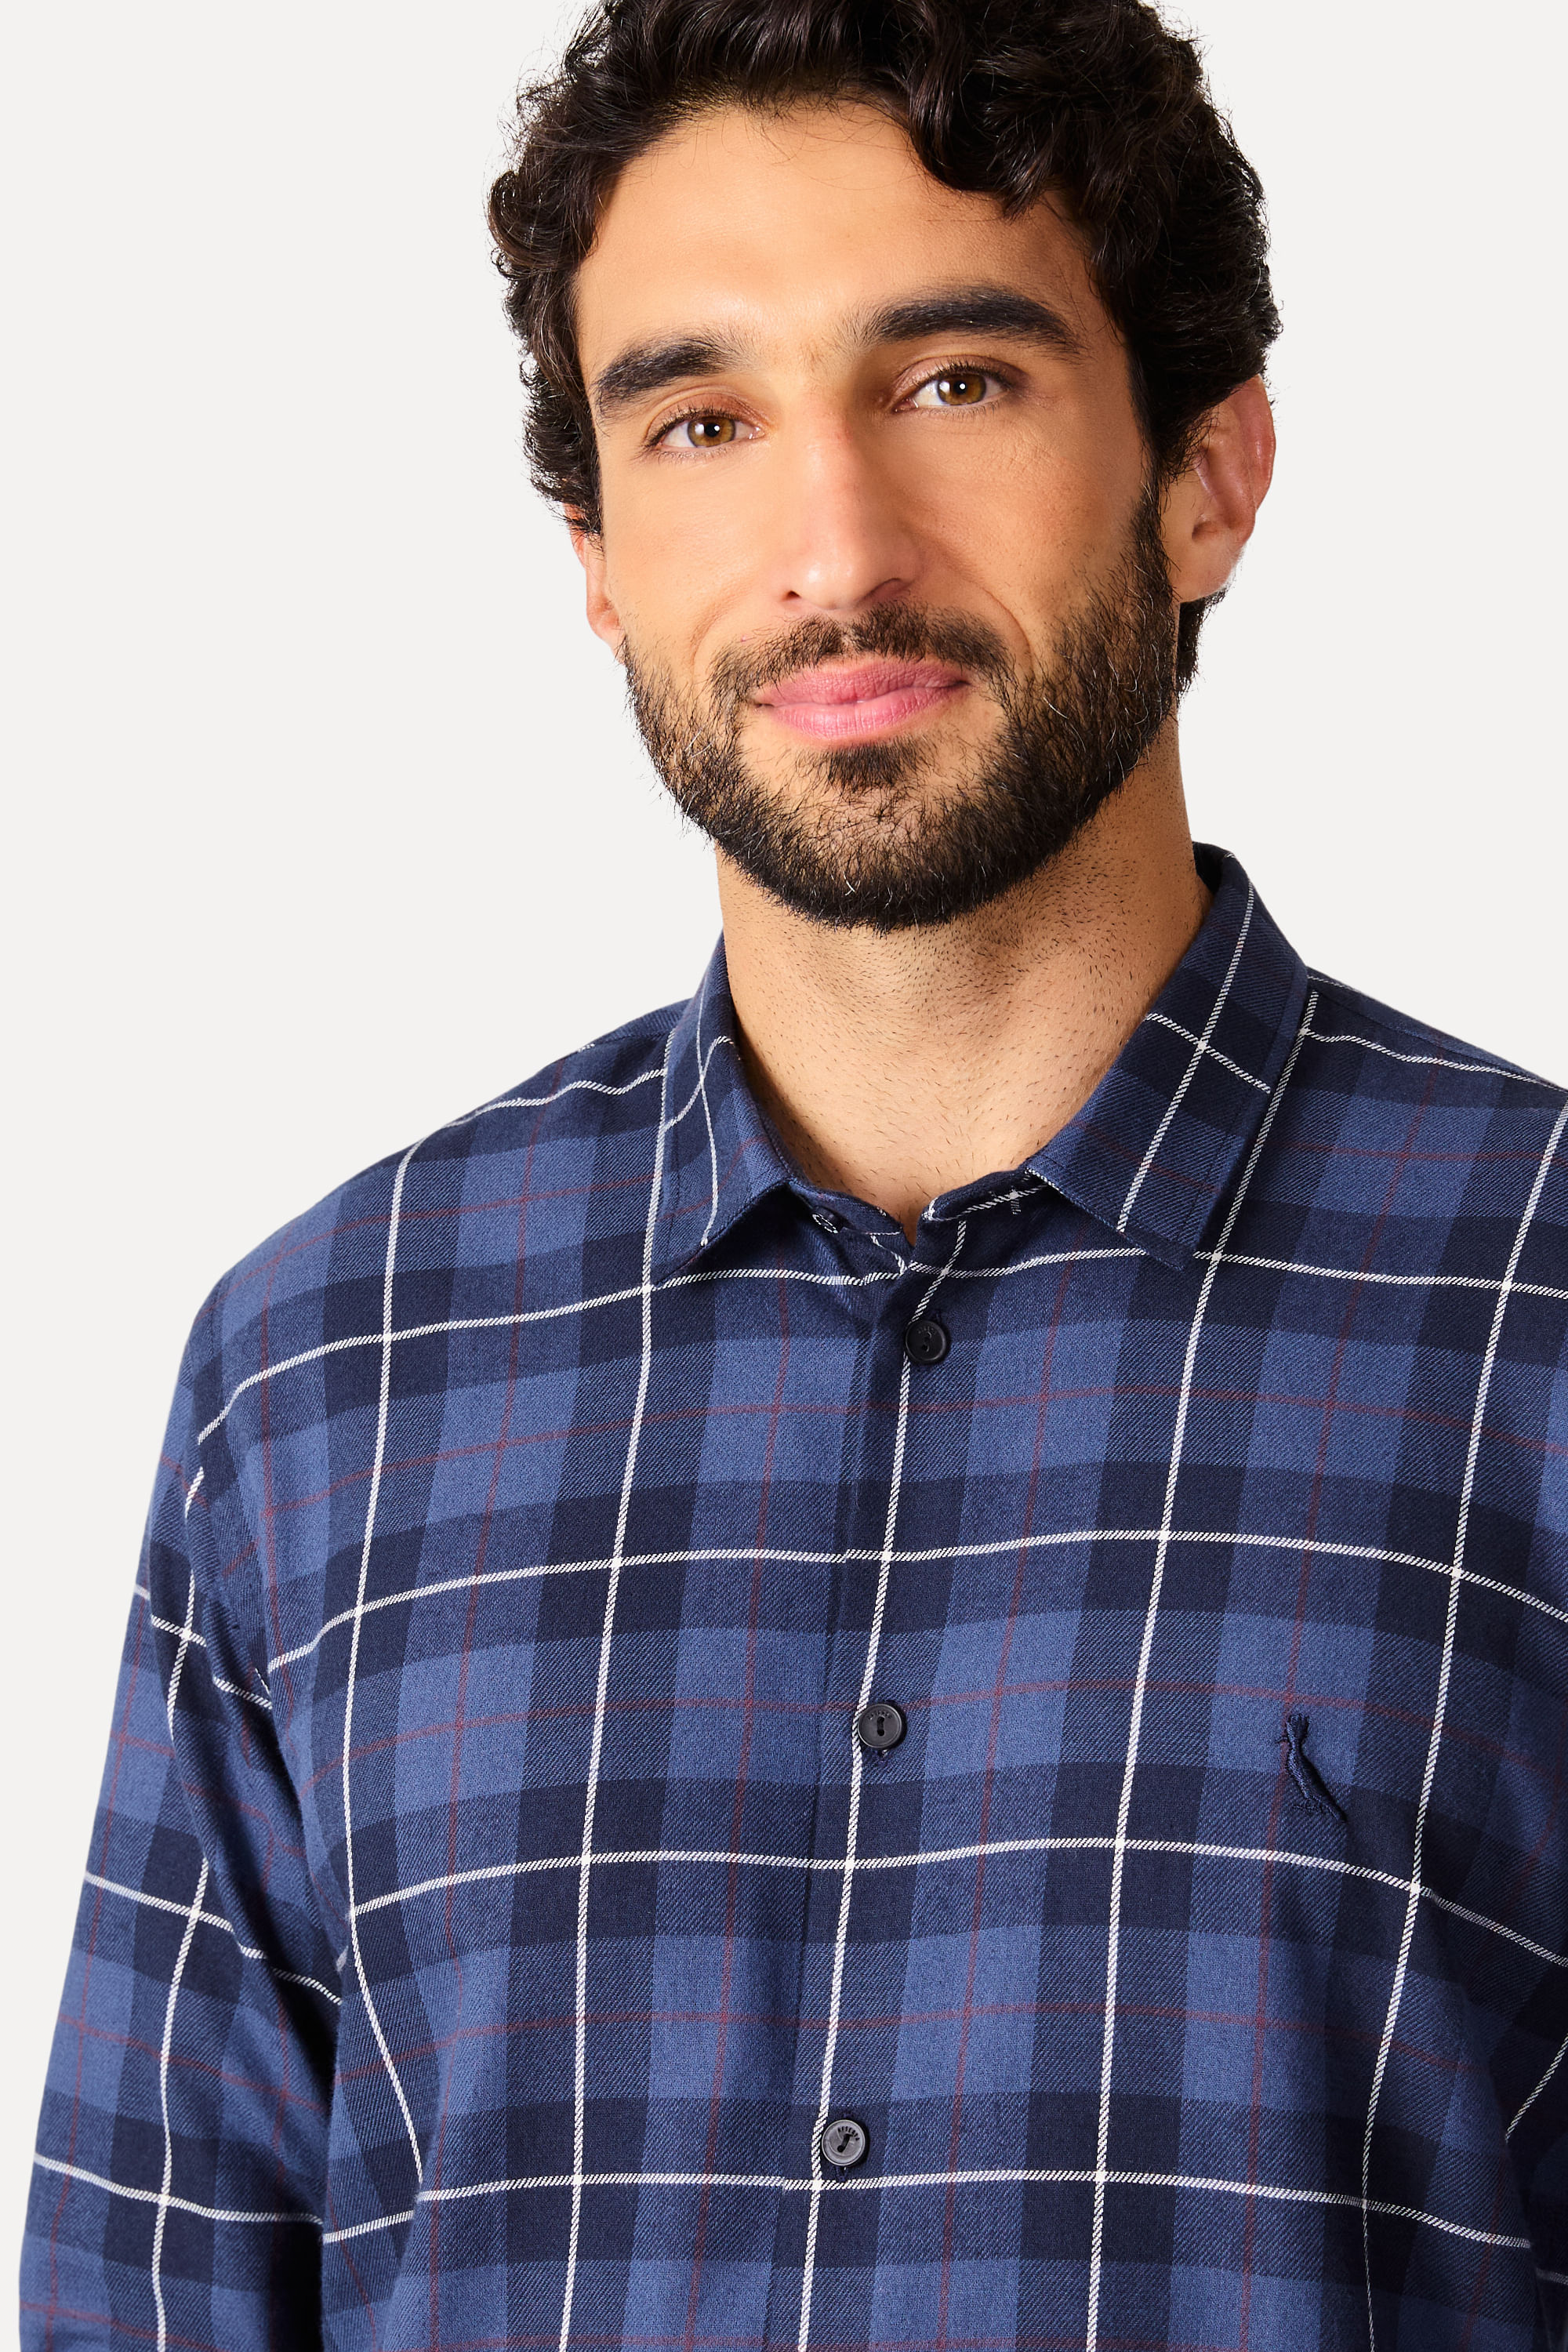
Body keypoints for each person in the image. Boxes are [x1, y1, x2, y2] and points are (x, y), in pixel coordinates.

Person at [22, 0, 1568, 2344]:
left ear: (1208, 473)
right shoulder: (324, 1379)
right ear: (599, 556)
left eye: (956, 380)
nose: (834, 549)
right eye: (703, 420)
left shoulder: (1535, 1316)